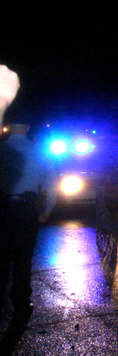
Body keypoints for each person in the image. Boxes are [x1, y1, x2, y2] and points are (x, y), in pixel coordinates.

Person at [1, 122, 58, 323]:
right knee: (23, 258)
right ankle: (21, 304)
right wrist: (46, 210)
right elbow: (51, 183)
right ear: (27, 127)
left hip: (3, 207)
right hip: (26, 208)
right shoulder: (39, 151)